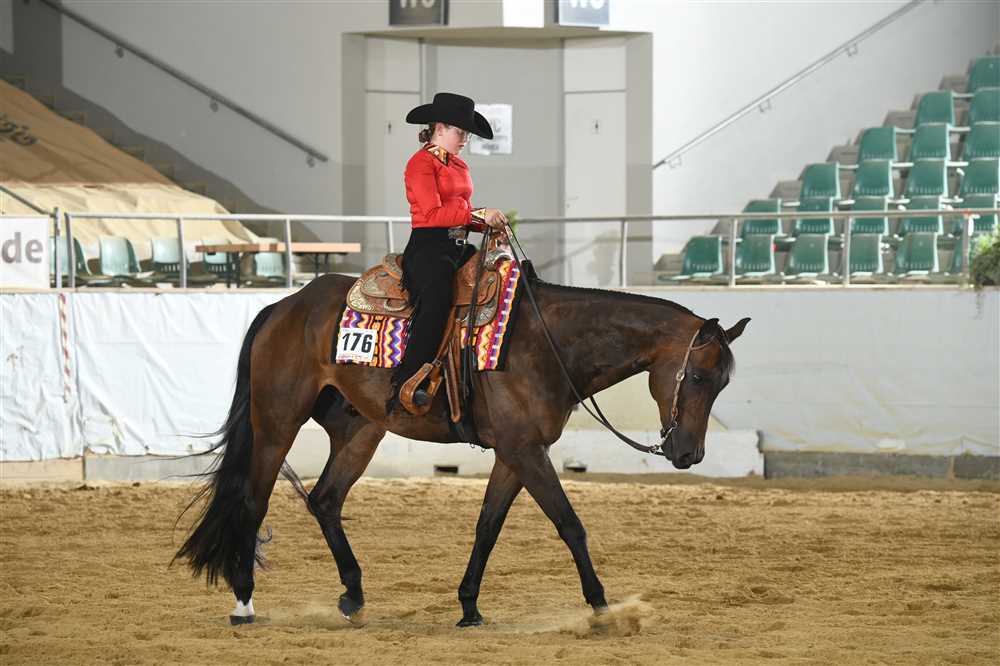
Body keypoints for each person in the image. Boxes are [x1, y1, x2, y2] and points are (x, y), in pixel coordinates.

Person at [389, 92, 508, 413]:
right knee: (437, 298)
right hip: (429, 247)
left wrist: (487, 225)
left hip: (456, 245)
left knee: (497, 280)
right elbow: (431, 215)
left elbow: (461, 212)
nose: (465, 139)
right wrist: (479, 215)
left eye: (467, 133)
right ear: (440, 128)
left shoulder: (457, 163)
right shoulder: (420, 164)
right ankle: (409, 380)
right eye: (460, 132)